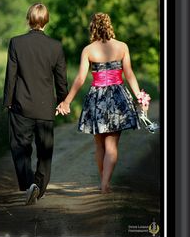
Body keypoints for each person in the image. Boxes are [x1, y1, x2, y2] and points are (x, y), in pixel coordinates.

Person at [56, 12, 150, 194]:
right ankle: (105, 183)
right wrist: (140, 96)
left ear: (92, 27)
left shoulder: (88, 50)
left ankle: (104, 182)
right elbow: (129, 74)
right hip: (118, 98)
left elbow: (80, 78)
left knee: (99, 145)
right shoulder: (122, 47)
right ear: (110, 26)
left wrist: (66, 101)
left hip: (97, 99)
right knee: (112, 145)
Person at [3, 3, 68, 205]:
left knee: (19, 147)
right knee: (45, 151)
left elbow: (10, 76)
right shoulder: (55, 46)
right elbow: (61, 80)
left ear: (28, 19)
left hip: (21, 106)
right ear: (46, 21)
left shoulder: (16, 43)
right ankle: (39, 188)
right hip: (45, 108)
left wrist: (8, 102)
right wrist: (63, 101)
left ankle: (29, 183)